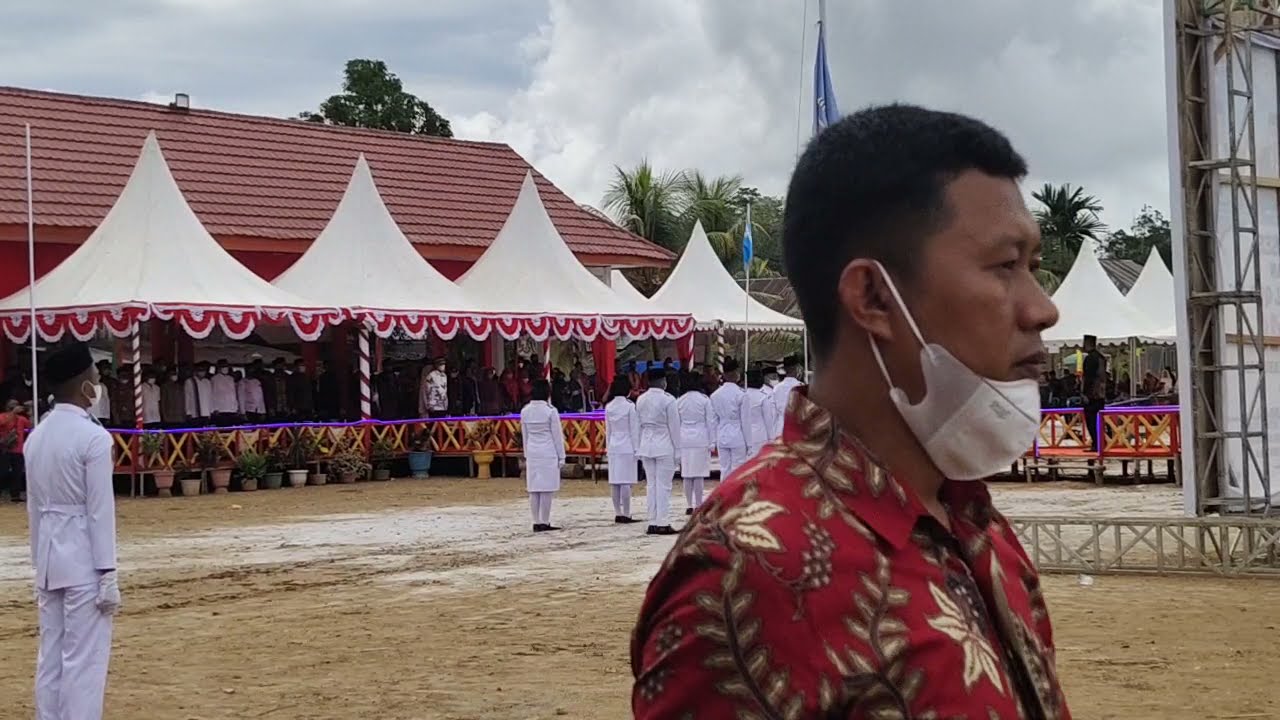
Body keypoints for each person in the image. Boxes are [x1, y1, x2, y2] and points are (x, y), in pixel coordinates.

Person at [632, 105, 1070, 718]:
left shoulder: (975, 524)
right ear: (872, 297)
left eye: (1033, 267)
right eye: (1005, 266)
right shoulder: (750, 567)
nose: (1042, 308)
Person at [26, 342, 121, 720]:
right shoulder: (94, 437)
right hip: (83, 559)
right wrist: (108, 572)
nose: (98, 383)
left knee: (51, 657)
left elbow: (34, 509)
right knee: (84, 661)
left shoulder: (38, 435)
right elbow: (100, 511)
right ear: (84, 385)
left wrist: (38, 561)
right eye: (95, 376)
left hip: (49, 557)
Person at [635, 367, 681, 535]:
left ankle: (652, 521)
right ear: (663, 382)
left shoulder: (641, 399)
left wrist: (638, 447)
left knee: (651, 485)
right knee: (664, 485)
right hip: (664, 445)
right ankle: (663, 521)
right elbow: (674, 427)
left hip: (646, 444)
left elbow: (637, 426)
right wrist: (678, 451)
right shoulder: (668, 400)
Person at [520, 379, 565, 532]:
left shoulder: (525, 410)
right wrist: (561, 455)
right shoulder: (550, 411)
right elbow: (557, 436)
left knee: (534, 488)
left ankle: (536, 520)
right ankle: (544, 521)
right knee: (546, 488)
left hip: (532, 451)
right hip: (548, 451)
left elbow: (524, 435)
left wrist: (527, 454)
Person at [675, 374, 716, 515]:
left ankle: (688, 504)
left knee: (686, 473)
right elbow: (710, 422)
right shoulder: (704, 400)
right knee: (698, 474)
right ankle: (698, 504)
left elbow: (676, 423)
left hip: (684, 438)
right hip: (700, 437)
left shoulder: (679, 401)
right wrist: (712, 441)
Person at [604, 375, 641, 523]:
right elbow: (634, 430)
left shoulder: (609, 406)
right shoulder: (630, 406)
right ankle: (626, 512)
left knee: (615, 481)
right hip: (627, 445)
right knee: (626, 481)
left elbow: (608, 430)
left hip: (613, 445)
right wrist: (637, 449)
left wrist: (607, 448)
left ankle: (618, 512)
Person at [709, 358, 747, 478]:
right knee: (738, 469)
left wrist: (713, 440)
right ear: (735, 373)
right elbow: (745, 421)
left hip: (722, 435)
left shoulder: (715, 395)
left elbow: (713, 421)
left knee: (725, 469)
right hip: (738, 435)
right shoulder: (741, 394)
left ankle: (724, 495)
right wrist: (749, 443)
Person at [739, 369, 776, 458]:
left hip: (744, 435)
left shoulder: (742, 396)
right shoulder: (762, 397)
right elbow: (768, 420)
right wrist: (771, 438)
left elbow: (742, 418)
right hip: (760, 435)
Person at [0, 399, 32, 501]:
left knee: (17, 473)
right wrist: (13, 413)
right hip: (5, 449)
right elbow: (3, 423)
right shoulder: (2, 416)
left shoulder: (21, 419)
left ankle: (15, 495)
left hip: (18, 450)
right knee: (2, 472)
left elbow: (31, 426)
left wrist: (31, 412)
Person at [1082, 334, 1107, 452]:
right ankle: (1101, 442)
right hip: (1101, 393)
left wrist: (1084, 393)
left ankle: (1096, 444)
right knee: (1100, 420)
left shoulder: (1090, 358)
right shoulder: (1101, 357)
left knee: (1091, 421)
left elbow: (1089, 377)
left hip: (1092, 394)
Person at [769, 354, 804, 439]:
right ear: (796, 368)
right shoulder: (801, 387)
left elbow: (772, 414)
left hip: (780, 428)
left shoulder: (776, 388)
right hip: (796, 429)